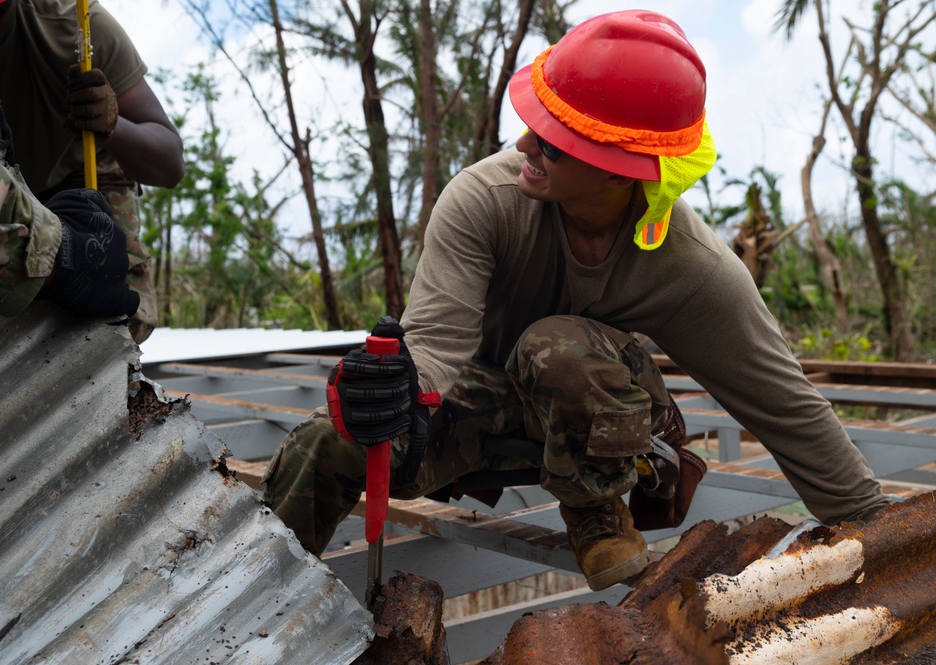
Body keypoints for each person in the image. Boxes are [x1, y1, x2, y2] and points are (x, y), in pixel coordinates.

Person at [262, 10, 891, 591]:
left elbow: (791, 412)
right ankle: (253, 594)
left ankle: (596, 507)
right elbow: (432, 354)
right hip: (484, 402)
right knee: (326, 444)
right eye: (534, 124)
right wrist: (390, 391)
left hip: (604, 422)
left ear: (623, 171)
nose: (525, 148)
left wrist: (896, 545)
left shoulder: (692, 268)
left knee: (555, 343)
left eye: (555, 141)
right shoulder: (483, 201)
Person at [0, 0, 185, 343]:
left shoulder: (78, 26)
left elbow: (170, 165)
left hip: (75, 174)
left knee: (116, 309)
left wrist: (113, 125)